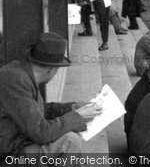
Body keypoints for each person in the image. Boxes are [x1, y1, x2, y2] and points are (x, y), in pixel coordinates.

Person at [0, 33, 102, 161]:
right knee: (69, 142)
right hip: (8, 154)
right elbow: (41, 133)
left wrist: (72, 107)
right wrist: (77, 117)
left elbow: (39, 110)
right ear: (52, 69)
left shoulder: (21, 73)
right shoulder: (16, 80)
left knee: (68, 133)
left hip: (17, 143)